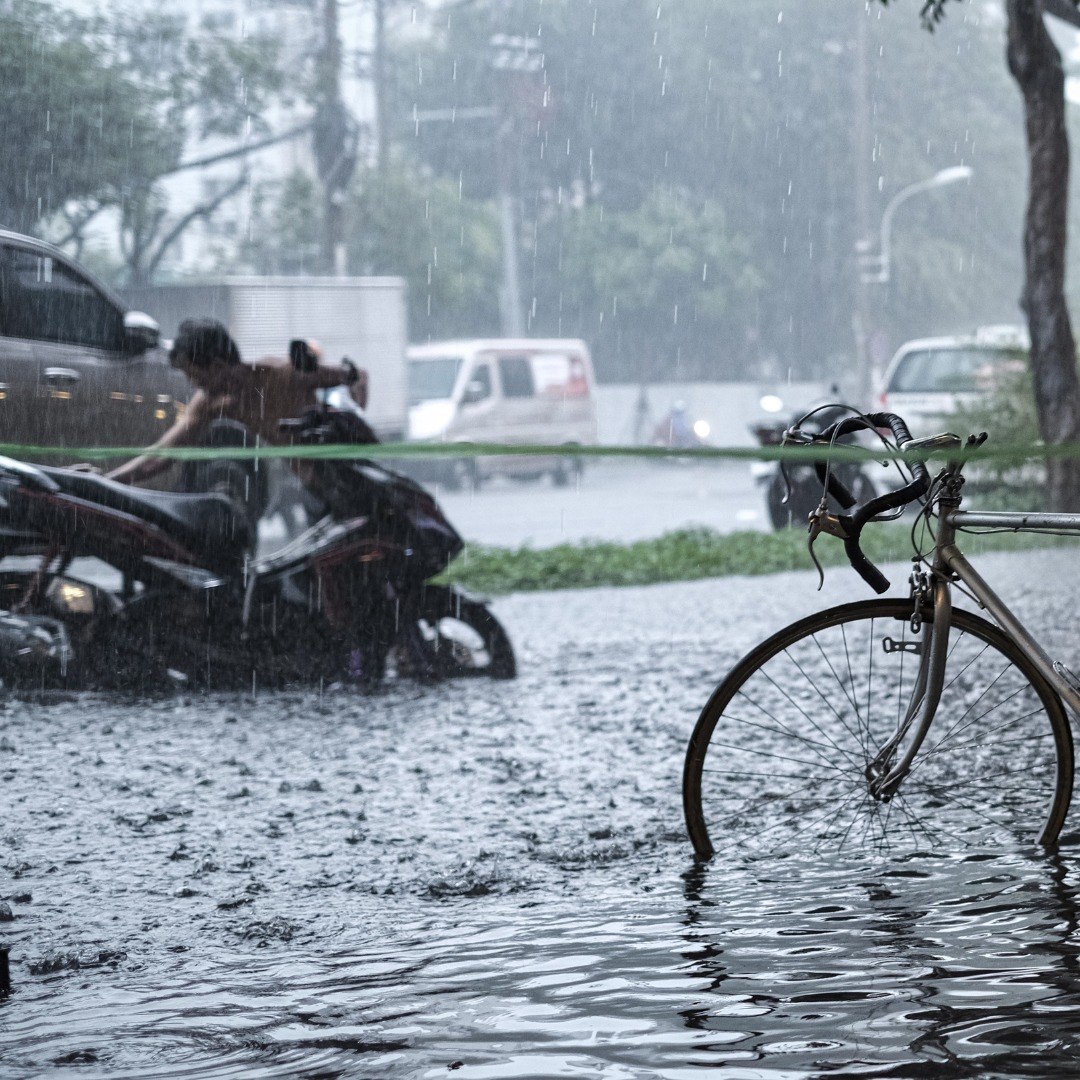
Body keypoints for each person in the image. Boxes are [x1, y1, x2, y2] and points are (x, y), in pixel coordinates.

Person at [107, 318, 368, 487]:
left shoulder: (282, 375)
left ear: (219, 366)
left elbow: (357, 376)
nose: (192, 384)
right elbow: (161, 455)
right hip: (314, 485)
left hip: (352, 470)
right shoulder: (211, 403)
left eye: (194, 375)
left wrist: (354, 399)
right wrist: (107, 481)